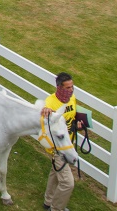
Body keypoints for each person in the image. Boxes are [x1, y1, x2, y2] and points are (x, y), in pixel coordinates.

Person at [42, 72, 84, 211]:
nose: (71, 90)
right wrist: (46, 110)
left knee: (55, 173)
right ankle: (56, 208)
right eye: (67, 87)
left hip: (68, 144)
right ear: (59, 87)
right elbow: (45, 114)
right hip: (58, 149)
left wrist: (78, 123)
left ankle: (48, 202)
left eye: (72, 87)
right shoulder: (50, 102)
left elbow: (72, 116)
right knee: (67, 183)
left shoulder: (72, 98)